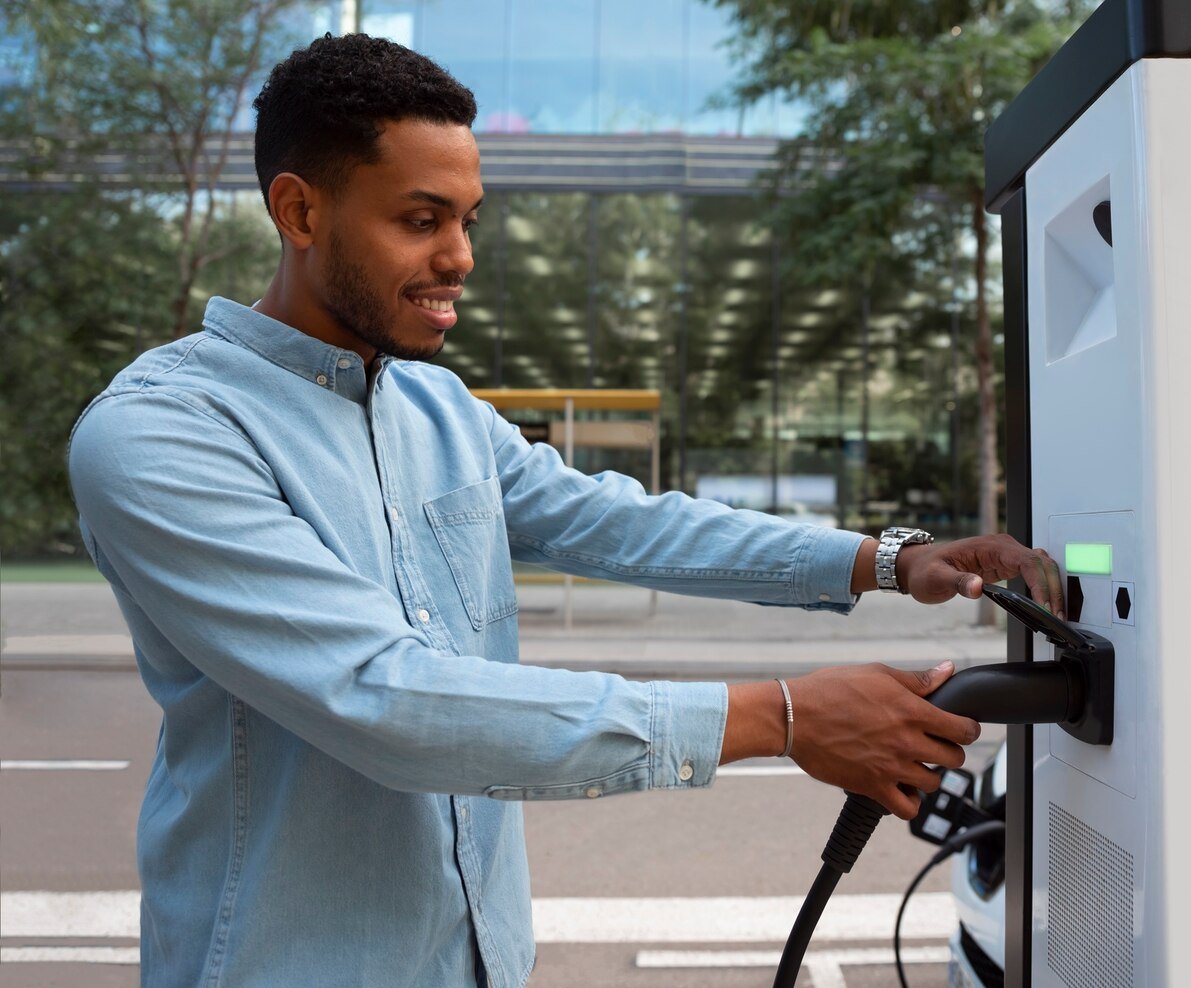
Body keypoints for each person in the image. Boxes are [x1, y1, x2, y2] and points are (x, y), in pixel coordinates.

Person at [67, 33, 1064, 988]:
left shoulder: (435, 407)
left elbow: (620, 521)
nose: (460, 256)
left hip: (482, 961)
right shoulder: (164, 435)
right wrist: (782, 716)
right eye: (421, 219)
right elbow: (384, 696)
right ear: (300, 211)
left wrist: (888, 560)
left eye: (468, 219)